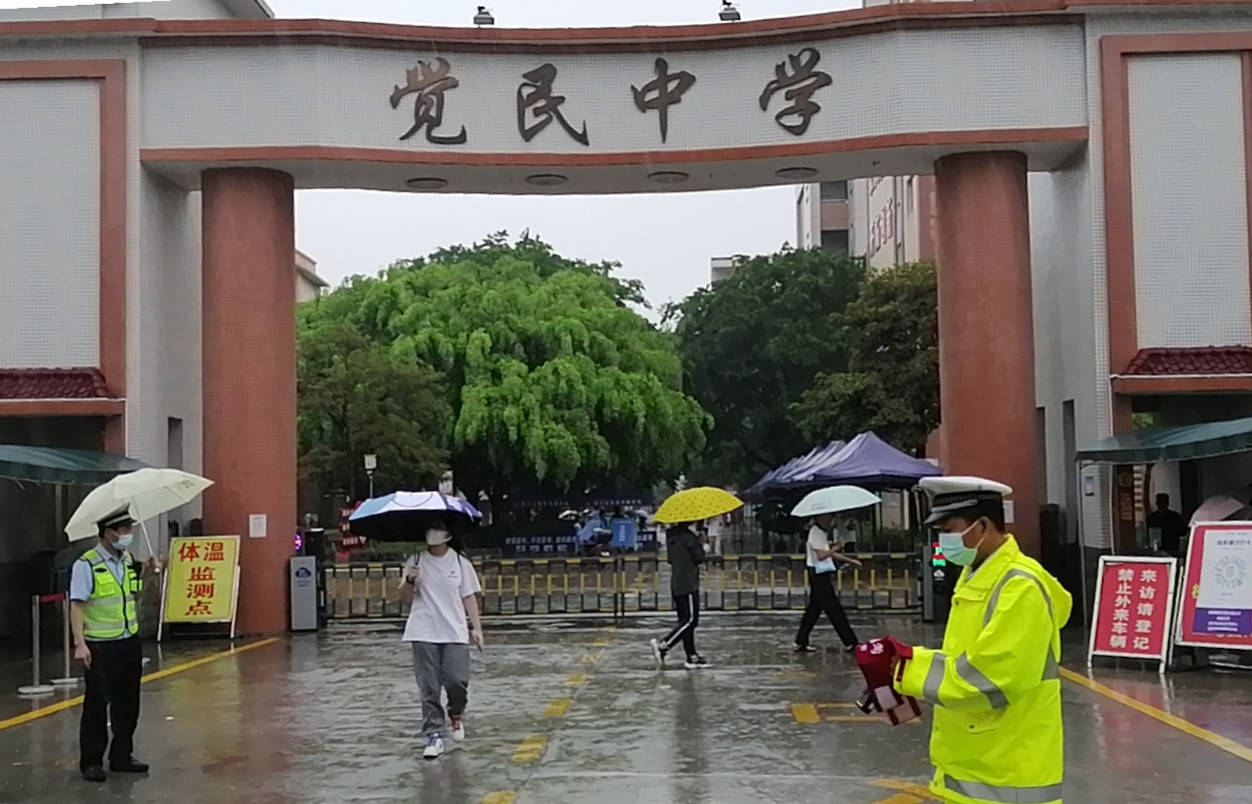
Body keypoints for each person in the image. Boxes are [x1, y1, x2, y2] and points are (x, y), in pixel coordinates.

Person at [889, 477, 1072, 804]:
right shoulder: (978, 576)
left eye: (949, 528)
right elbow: (964, 658)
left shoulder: (1020, 588)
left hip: (1008, 777)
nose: (943, 540)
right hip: (979, 767)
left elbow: (986, 680)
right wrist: (904, 660)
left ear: (983, 526)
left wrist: (906, 670)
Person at [69, 509, 161, 783]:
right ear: (108, 533)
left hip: (128, 642)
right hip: (100, 645)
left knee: (128, 703)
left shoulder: (127, 560)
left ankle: (122, 756)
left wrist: (150, 571)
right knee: (97, 705)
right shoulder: (87, 564)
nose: (127, 535)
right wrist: (80, 643)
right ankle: (92, 762)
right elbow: (77, 605)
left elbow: (134, 594)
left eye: (129, 529)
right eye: (123, 531)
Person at [400, 520, 484, 760]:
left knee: (457, 681)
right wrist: (409, 581)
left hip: (454, 631)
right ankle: (434, 734)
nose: (432, 533)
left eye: (437, 528)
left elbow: (468, 597)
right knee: (429, 687)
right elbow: (404, 597)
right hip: (423, 630)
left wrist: (476, 628)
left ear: (448, 534)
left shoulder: (460, 563)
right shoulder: (415, 560)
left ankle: (456, 714)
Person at [794, 513, 862, 652]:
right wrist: (837, 546)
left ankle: (801, 641)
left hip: (819, 572)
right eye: (828, 516)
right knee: (834, 608)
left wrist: (849, 560)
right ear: (819, 517)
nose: (831, 519)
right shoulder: (816, 533)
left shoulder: (822, 532)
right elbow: (821, 555)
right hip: (819, 574)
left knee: (814, 609)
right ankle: (851, 642)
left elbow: (828, 553)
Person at [648, 520, 710, 669]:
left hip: (677, 582)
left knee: (684, 621)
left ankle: (691, 656)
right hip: (688, 583)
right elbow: (700, 557)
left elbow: (670, 560)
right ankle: (664, 645)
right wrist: (702, 544)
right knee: (690, 621)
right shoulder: (688, 537)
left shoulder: (672, 537)